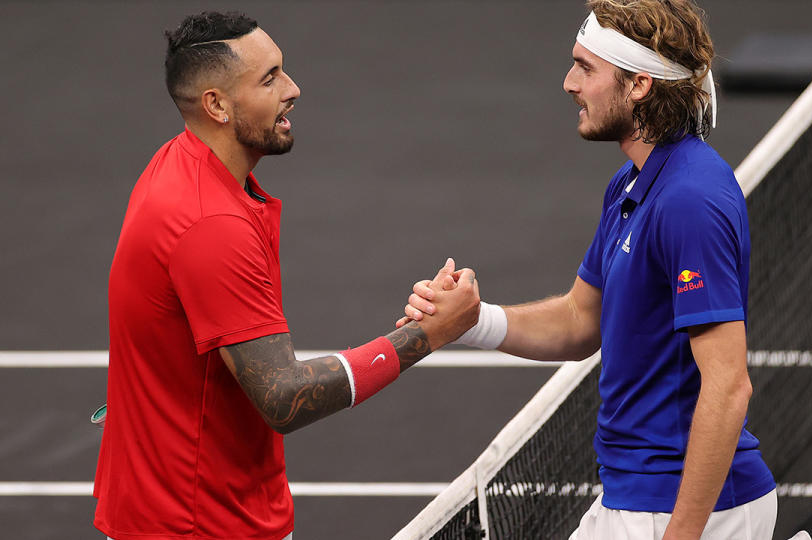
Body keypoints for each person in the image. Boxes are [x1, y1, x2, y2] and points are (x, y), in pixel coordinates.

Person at [93, 11, 479, 540]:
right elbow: (283, 397)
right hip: (197, 525)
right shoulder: (211, 223)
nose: (293, 90)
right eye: (269, 78)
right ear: (217, 105)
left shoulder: (180, 165)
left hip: (189, 507)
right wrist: (425, 335)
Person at [399, 1, 777, 538]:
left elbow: (729, 385)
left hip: (676, 510)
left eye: (586, 67)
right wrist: (472, 320)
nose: (568, 82)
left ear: (639, 86)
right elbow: (581, 319)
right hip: (637, 496)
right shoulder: (632, 184)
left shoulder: (689, 200)